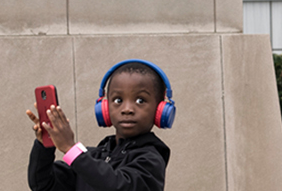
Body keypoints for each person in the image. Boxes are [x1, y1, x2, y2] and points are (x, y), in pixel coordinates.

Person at [25, 60, 174, 191]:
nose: (127, 109)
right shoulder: (92, 157)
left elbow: (117, 185)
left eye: (140, 100)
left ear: (159, 109)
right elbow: (42, 184)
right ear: (105, 108)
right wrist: (45, 145)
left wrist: (71, 149)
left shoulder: (151, 160)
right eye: (118, 100)